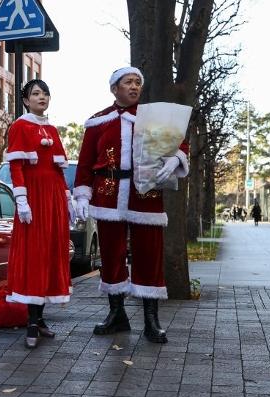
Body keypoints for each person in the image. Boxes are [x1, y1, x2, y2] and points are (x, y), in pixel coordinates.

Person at [74, 67, 189, 344]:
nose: (134, 86)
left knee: (149, 254)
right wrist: (82, 195)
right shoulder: (98, 122)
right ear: (115, 88)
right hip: (108, 195)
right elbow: (85, 162)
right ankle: (117, 314)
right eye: (128, 82)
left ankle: (151, 320)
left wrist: (176, 160)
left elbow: (179, 142)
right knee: (111, 254)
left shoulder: (152, 118)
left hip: (144, 195)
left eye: (138, 82)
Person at [4, 79, 73, 349]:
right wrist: (22, 200)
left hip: (53, 197)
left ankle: (41, 318)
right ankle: (31, 321)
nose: (42, 97)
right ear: (26, 99)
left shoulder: (53, 130)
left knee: (50, 254)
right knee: (34, 256)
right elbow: (17, 166)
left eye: (45, 93)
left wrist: (67, 198)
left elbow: (59, 169)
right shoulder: (20, 126)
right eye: (36, 93)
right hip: (33, 198)